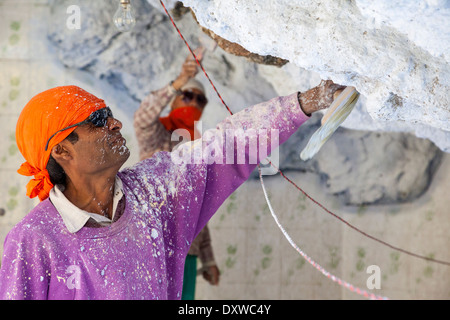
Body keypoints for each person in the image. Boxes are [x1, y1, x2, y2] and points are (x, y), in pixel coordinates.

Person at [0, 74, 344, 299]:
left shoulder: (155, 190)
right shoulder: (33, 241)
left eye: (108, 113)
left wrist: (306, 102)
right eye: (98, 121)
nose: (115, 123)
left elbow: (224, 146)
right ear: (61, 150)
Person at [134, 49, 220, 300]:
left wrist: (208, 259)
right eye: (187, 95)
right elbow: (141, 118)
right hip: (152, 246)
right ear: (173, 100)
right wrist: (177, 83)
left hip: (189, 255)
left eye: (200, 100)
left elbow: (201, 208)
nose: (193, 103)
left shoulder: (201, 150)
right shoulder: (157, 135)